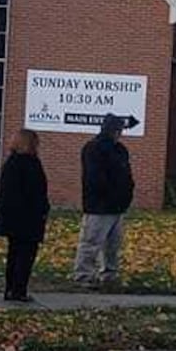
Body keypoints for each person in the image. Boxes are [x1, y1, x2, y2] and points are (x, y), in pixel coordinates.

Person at [74, 113, 134, 288]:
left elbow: (126, 174)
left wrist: (126, 193)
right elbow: (94, 177)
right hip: (99, 205)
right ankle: (83, 274)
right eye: (118, 129)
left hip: (117, 205)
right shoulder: (94, 148)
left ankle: (109, 273)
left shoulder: (120, 149)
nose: (120, 133)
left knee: (113, 245)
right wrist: (112, 192)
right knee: (91, 241)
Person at [0, 128, 50, 302]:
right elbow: (35, 191)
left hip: (13, 217)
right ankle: (19, 290)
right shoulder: (30, 163)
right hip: (27, 217)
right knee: (25, 255)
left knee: (14, 253)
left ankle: (11, 289)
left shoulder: (12, 162)